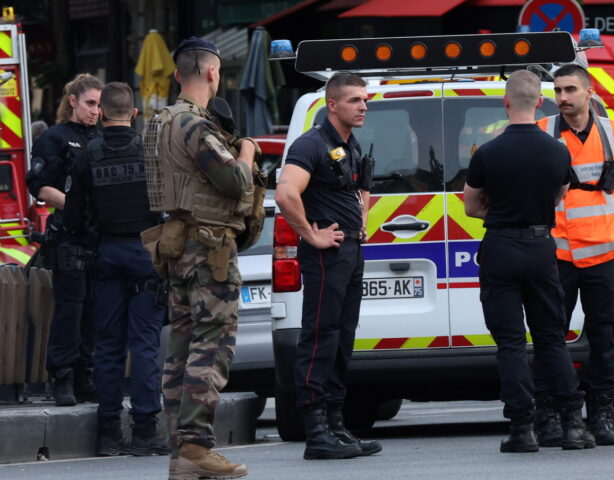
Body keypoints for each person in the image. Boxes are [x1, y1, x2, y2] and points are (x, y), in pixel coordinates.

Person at [142, 37, 256, 478]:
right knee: (212, 343)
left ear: (176, 75)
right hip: (209, 248)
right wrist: (246, 151)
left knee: (182, 347)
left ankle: (181, 452)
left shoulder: (160, 121)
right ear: (213, 73)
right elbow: (233, 181)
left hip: (178, 243)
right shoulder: (195, 125)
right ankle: (196, 446)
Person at [464, 70, 592, 453]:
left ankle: (522, 428)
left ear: (506, 103)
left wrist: (500, 212)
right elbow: (559, 195)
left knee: (510, 344)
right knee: (552, 339)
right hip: (540, 248)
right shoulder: (558, 150)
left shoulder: (487, 152)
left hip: (500, 247)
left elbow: (471, 206)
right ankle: (572, 425)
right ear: (540, 103)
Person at [535, 64, 614, 446]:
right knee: (550, 336)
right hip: (559, 253)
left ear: (589, 92)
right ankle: (550, 413)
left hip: (604, 252)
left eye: (570, 89)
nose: (563, 97)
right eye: (558, 91)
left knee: (605, 338)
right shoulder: (543, 133)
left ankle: (600, 414)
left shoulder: (613, 132)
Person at [275, 72, 382, 460]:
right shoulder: (312, 144)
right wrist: (310, 235)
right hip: (326, 255)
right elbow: (286, 193)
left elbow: (357, 189)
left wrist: (363, 222)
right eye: (355, 100)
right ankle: (316, 428)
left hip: (350, 253)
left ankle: (336, 423)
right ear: (332, 104)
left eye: (365, 100)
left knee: (342, 338)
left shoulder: (347, 145)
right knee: (320, 337)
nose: (363, 106)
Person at [64, 82, 169, 457]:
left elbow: (74, 216)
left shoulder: (87, 156)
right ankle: (145, 431)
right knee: (144, 345)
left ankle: (109, 431)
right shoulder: (150, 152)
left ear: (103, 114)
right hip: (146, 256)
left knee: (107, 347)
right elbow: (167, 206)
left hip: (105, 256)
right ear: (135, 114)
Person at [25, 73, 103, 406]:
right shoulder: (55, 138)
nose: (95, 111)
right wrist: (77, 206)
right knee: (70, 309)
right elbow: (40, 186)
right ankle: (63, 378)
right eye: (90, 103)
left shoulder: (103, 137)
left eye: (99, 105)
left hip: (99, 236)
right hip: (70, 235)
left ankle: (85, 375)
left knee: (94, 310)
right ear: (73, 101)